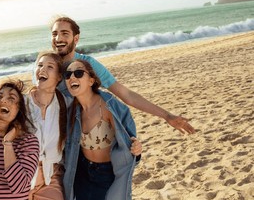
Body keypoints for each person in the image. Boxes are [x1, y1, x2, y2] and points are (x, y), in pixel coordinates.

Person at [50, 16, 196, 135]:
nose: (58, 38)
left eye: (64, 33)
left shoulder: (89, 64)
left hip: (79, 134)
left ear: (76, 39)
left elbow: (126, 94)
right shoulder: (44, 67)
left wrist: (166, 115)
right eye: (54, 34)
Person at [63, 59, 142, 200]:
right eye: (68, 74)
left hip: (106, 174)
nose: (72, 77)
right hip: (82, 172)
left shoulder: (108, 105)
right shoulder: (71, 110)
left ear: (91, 80)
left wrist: (136, 149)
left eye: (78, 73)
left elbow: (129, 139)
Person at [26, 51, 68, 200]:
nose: (42, 69)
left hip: (51, 177)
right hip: (21, 180)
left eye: (50, 67)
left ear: (58, 77)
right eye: (40, 65)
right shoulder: (20, 103)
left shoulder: (65, 104)